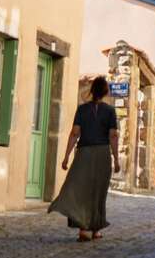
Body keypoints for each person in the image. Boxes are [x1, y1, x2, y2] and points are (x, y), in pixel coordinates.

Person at [48, 76, 120, 242]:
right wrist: (116, 159)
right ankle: (94, 229)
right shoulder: (110, 111)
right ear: (105, 92)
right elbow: (113, 136)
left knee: (81, 189)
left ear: (92, 90)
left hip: (84, 153)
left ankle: (84, 229)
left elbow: (75, 133)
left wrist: (66, 156)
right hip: (102, 154)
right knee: (98, 192)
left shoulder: (82, 109)